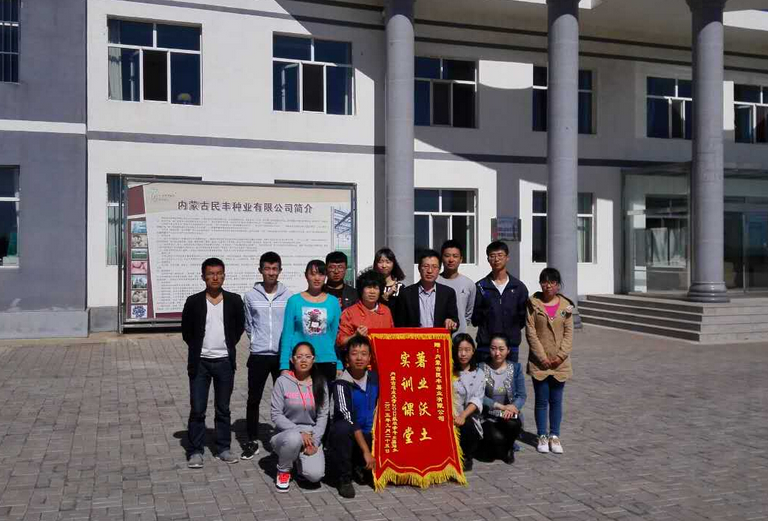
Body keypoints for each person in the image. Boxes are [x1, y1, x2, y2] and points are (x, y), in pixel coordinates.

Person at [181, 258, 245, 468]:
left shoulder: (234, 300)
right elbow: (187, 332)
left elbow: (239, 327)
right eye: (210, 274)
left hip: (224, 362)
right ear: (203, 277)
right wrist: (199, 349)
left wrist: (227, 345)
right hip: (200, 363)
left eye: (219, 273)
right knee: (198, 408)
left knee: (223, 408)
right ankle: (195, 450)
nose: (215, 277)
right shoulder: (193, 301)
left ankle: (223, 448)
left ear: (224, 275)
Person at [241, 251, 293, 460]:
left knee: (286, 400)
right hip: (259, 355)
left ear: (280, 271)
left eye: (274, 269)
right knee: (253, 399)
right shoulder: (250, 296)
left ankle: (286, 438)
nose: (271, 272)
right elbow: (249, 325)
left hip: (282, 355)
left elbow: (290, 325)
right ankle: (252, 440)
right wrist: (257, 341)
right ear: (260, 270)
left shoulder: (289, 297)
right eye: (267, 268)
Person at [526, 267, 574, 455]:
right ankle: (542, 435)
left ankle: (554, 435)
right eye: (545, 282)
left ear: (558, 285)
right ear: (540, 284)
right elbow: (530, 332)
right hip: (540, 362)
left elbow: (569, 334)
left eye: (552, 282)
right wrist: (542, 357)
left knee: (556, 400)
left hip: (560, 363)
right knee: (541, 400)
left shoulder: (566, 306)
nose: (548, 286)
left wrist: (560, 356)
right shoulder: (533, 304)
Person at [270, 342, 329, 492]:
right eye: (299, 356)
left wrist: (315, 440)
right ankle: (283, 470)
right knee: (294, 439)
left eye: (308, 357)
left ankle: (300, 463)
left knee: (315, 475)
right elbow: (276, 414)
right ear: (292, 359)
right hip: (286, 434)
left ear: (313, 359)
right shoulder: (282, 381)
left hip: (311, 435)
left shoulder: (321, 382)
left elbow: (323, 415)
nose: (303, 360)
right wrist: (299, 432)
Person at [329, 335, 379, 498]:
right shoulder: (341, 384)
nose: (359, 358)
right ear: (347, 358)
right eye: (354, 353)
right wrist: (366, 451)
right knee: (342, 427)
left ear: (370, 358)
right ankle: (344, 478)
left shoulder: (375, 378)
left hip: (370, 434)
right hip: (350, 435)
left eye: (364, 354)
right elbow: (349, 419)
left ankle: (359, 466)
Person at [280, 260, 342, 383]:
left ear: (325, 276)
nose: (317, 278)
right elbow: (287, 334)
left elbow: (336, 335)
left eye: (321, 274)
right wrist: (284, 365)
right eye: (313, 274)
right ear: (306, 275)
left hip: (327, 359)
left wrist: (339, 363)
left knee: (324, 395)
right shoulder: (294, 301)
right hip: (301, 361)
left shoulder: (333, 302)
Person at [472, 241, 529, 363]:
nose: (496, 259)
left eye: (500, 255)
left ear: (507, 258)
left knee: (510, 375)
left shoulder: (518, 287)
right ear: (488, 259)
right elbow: (475, 318)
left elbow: (522, 317)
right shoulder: (480, 287)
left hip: (510, 347)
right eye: (492, 256)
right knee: (484, 376)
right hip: (486, 347)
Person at [478, 334, 526, 465]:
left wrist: (513, 407)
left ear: (508, 350)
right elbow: (479, 395)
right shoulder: (481, 368)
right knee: (493, 445)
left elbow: (522, 395)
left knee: (514, 424)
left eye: (501, 349)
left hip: (508, 414)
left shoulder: (515, 368)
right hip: (488, 415)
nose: (497, 353)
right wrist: (500, 406)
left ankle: (509, 447)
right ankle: (496, 445)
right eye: (493, 348)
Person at [394, 250, 459, 330]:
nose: (430, 271)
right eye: (426, 266)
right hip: (414, 337)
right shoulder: (406, 294)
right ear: (419, 268)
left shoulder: (448, 293)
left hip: (439, 337)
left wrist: (451, 322)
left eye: (434, 267)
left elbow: (455, 321)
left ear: (439, 269)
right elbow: (400, 325)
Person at [336, 269, 394, 348]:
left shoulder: (386, 311)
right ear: (361, 290)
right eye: (369, 287)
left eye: (376, 288)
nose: (372, 292)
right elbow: (341, 342)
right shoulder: (349, 312)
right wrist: (355, 336)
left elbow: (392, 337)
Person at [452, 333, 484, 472]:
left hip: (466, 417)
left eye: (467, 350)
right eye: (459, 350)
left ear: (473, 351)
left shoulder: (479, 373)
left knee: (467, 424)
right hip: (448, 415)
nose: (463, 354)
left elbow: (476, 400)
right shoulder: (447, 370)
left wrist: (462, 416)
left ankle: (466, 456)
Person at [438, 240, 476, 334]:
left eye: (455, 256)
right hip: (438, 335)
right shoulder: (434, 282)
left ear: (461, 259)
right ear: (442, 258)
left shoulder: (469, 284)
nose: (451, 260)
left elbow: (468, 314)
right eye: (447, 256)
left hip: (460, 336)